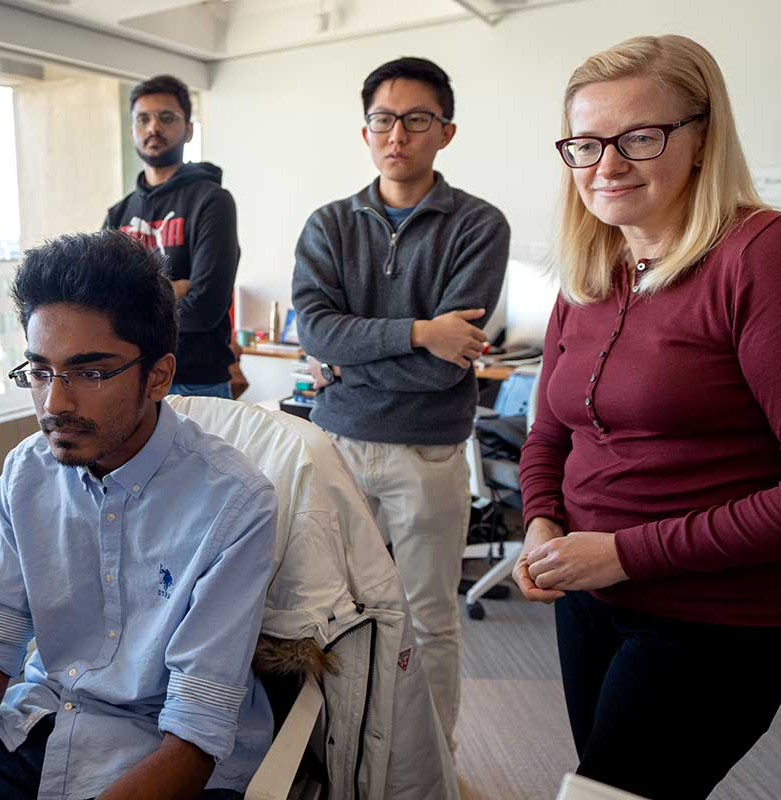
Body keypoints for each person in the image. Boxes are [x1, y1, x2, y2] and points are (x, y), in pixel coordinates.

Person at [0, 231, 277, 800]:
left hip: (159, 757)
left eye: (89, 373)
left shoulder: (233, 505)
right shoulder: (25, 474)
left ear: (159, 376)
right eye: (40, 372)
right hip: (36, 729)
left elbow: (194, 735)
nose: (55, 404)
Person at [515, 35, 781, 800]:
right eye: (585, 143)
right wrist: (542, 523)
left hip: (718, 618)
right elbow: (549, 434)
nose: (607, 166)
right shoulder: (590, 270)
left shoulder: (761, 255)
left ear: (703, 139)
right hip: (590, 598)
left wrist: (626, 553)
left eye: (640, 137)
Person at [290, 56, 510, 748]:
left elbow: (452, 366)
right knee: (322, 610)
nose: (398, 135)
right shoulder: (329, 225)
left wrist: (351, 360)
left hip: (429, 450)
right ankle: (330, 762)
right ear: (365, 133)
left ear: (445, 132)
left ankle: (431, 766)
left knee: (428, 619)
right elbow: (317, 329)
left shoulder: (479, 225)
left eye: (417, 120)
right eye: (384, 120)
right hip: (337, 448)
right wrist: (419, 333)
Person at [105, 74, 240, 399]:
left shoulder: (212, 201)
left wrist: (133, 306)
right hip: (131, 381)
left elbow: (205, 308)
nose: (154, 127)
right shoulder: (118, 213)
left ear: (189, 130)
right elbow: (102, 302)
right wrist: (173, 288)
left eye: (166, 118)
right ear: (132, 131)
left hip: (197, 380)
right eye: (143, 119)